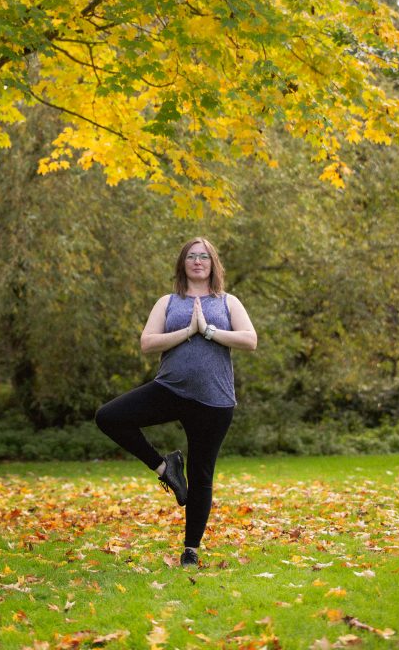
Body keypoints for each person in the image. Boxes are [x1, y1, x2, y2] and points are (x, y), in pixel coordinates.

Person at [95, 236, 257, 567]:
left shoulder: (228, 301)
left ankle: (190, 550)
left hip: (214, 400)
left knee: (201, 474)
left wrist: (208, 331)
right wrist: (187, 331)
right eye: (191, 256)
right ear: (183, 264)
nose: (198, 261)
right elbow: (147, 342)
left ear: (213, 264)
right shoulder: (167, 302)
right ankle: (164, 467)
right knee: (109, 417)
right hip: (170, 389)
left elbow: (249, 340)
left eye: (204, 257)